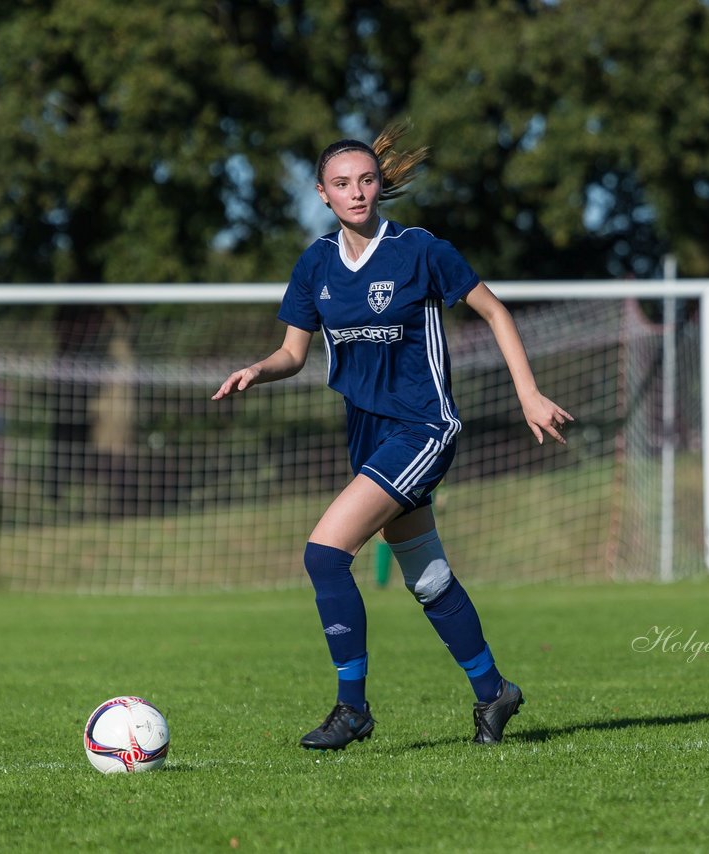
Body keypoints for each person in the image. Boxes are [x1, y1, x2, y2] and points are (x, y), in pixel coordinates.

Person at [212, 122, 573, 750]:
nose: (357, 192)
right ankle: (495, 693)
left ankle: (352, 708)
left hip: (424, 427)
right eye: (342, 184)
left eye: (367, 180)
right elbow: (293, 353)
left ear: (381, 185)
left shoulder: (421, 251)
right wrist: (257, 371)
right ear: (322, 193)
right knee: (426, 577)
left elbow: (494, 309)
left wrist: (529, 393)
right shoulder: (316, 263)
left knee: (324, 554)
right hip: (367, 433)